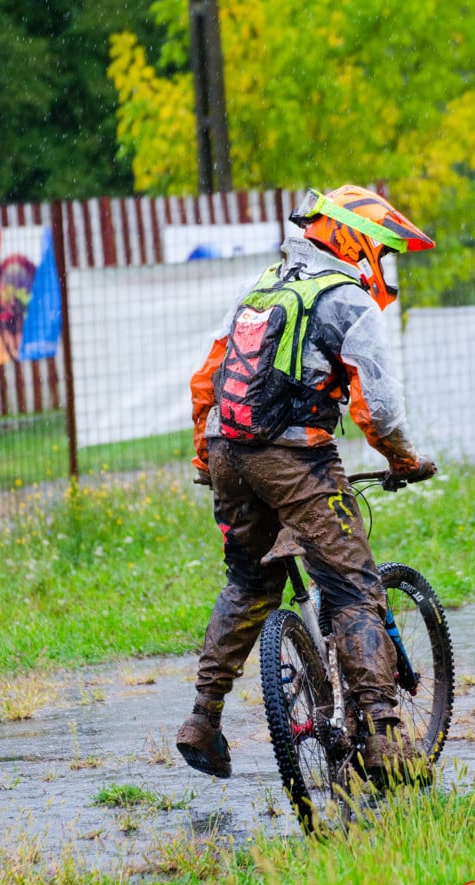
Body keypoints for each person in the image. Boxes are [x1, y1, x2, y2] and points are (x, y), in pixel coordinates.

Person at [176, 185, 436, 782]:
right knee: (349, 583)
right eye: (385, 251)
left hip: (226, 451)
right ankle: (382, 734)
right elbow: (381, 408)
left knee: (248, 583)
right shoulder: (346, 299)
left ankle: (202, 718)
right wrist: (401, 459)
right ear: (355, 240)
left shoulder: (260, 288)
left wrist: (206, 460)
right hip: (294, 456)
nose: (386, 267)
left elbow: (206, 380)